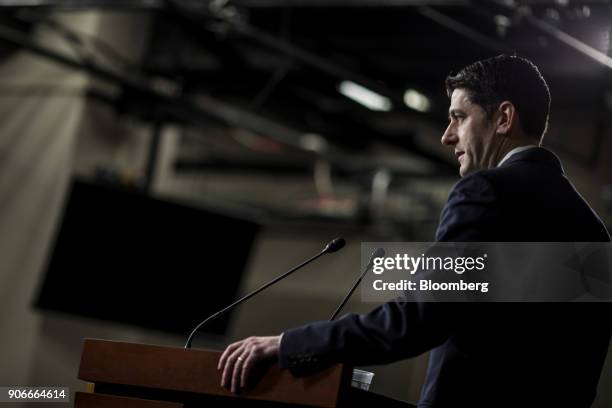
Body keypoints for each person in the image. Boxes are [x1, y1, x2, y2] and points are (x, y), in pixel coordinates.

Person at [217, 55, 612, 407]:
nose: (447, 135)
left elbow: (417, 320)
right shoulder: (593, 231)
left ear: (504, 118)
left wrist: (289, 344)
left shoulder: (486, 192)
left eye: (459, 116)